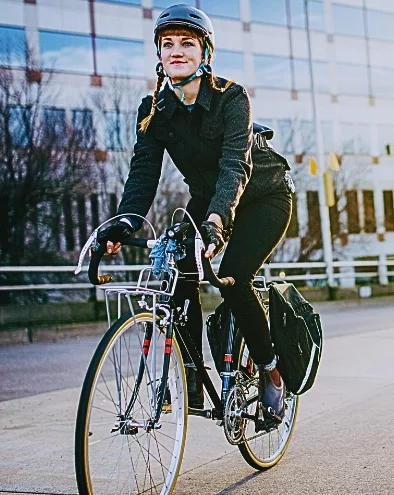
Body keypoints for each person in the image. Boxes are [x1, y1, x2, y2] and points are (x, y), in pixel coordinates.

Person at [96, 4, 293, 420]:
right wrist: (125, 220)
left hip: (263, 195)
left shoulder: (231, 98)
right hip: (208, 197)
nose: (176, 50)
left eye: (187, 42)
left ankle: (272, 371)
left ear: (205, 53)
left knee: (234, 279)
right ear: (160, 55)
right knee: (180, 262)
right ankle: (189, 377)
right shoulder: (154, 110)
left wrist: (218, 222)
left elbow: (234, 167)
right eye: (168, 43)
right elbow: (144, 170)